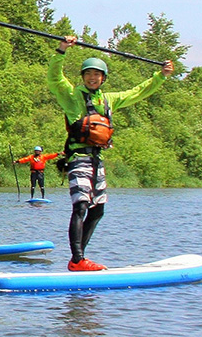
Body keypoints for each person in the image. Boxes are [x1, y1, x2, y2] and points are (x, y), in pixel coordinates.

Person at [50, 36, 174, 271]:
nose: (92, 78)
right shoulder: (73, 96)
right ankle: (77, 259)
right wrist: (61, 50)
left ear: (103, 78)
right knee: (81, 206)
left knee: (98, 211)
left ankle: (78, 260)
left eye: (97, 75)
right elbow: (55, 79)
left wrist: (161, 76)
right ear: (83, 77)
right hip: (79, 159)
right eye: (88, 74)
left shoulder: (108, 100)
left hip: (97, 160)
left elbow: (138, 92)